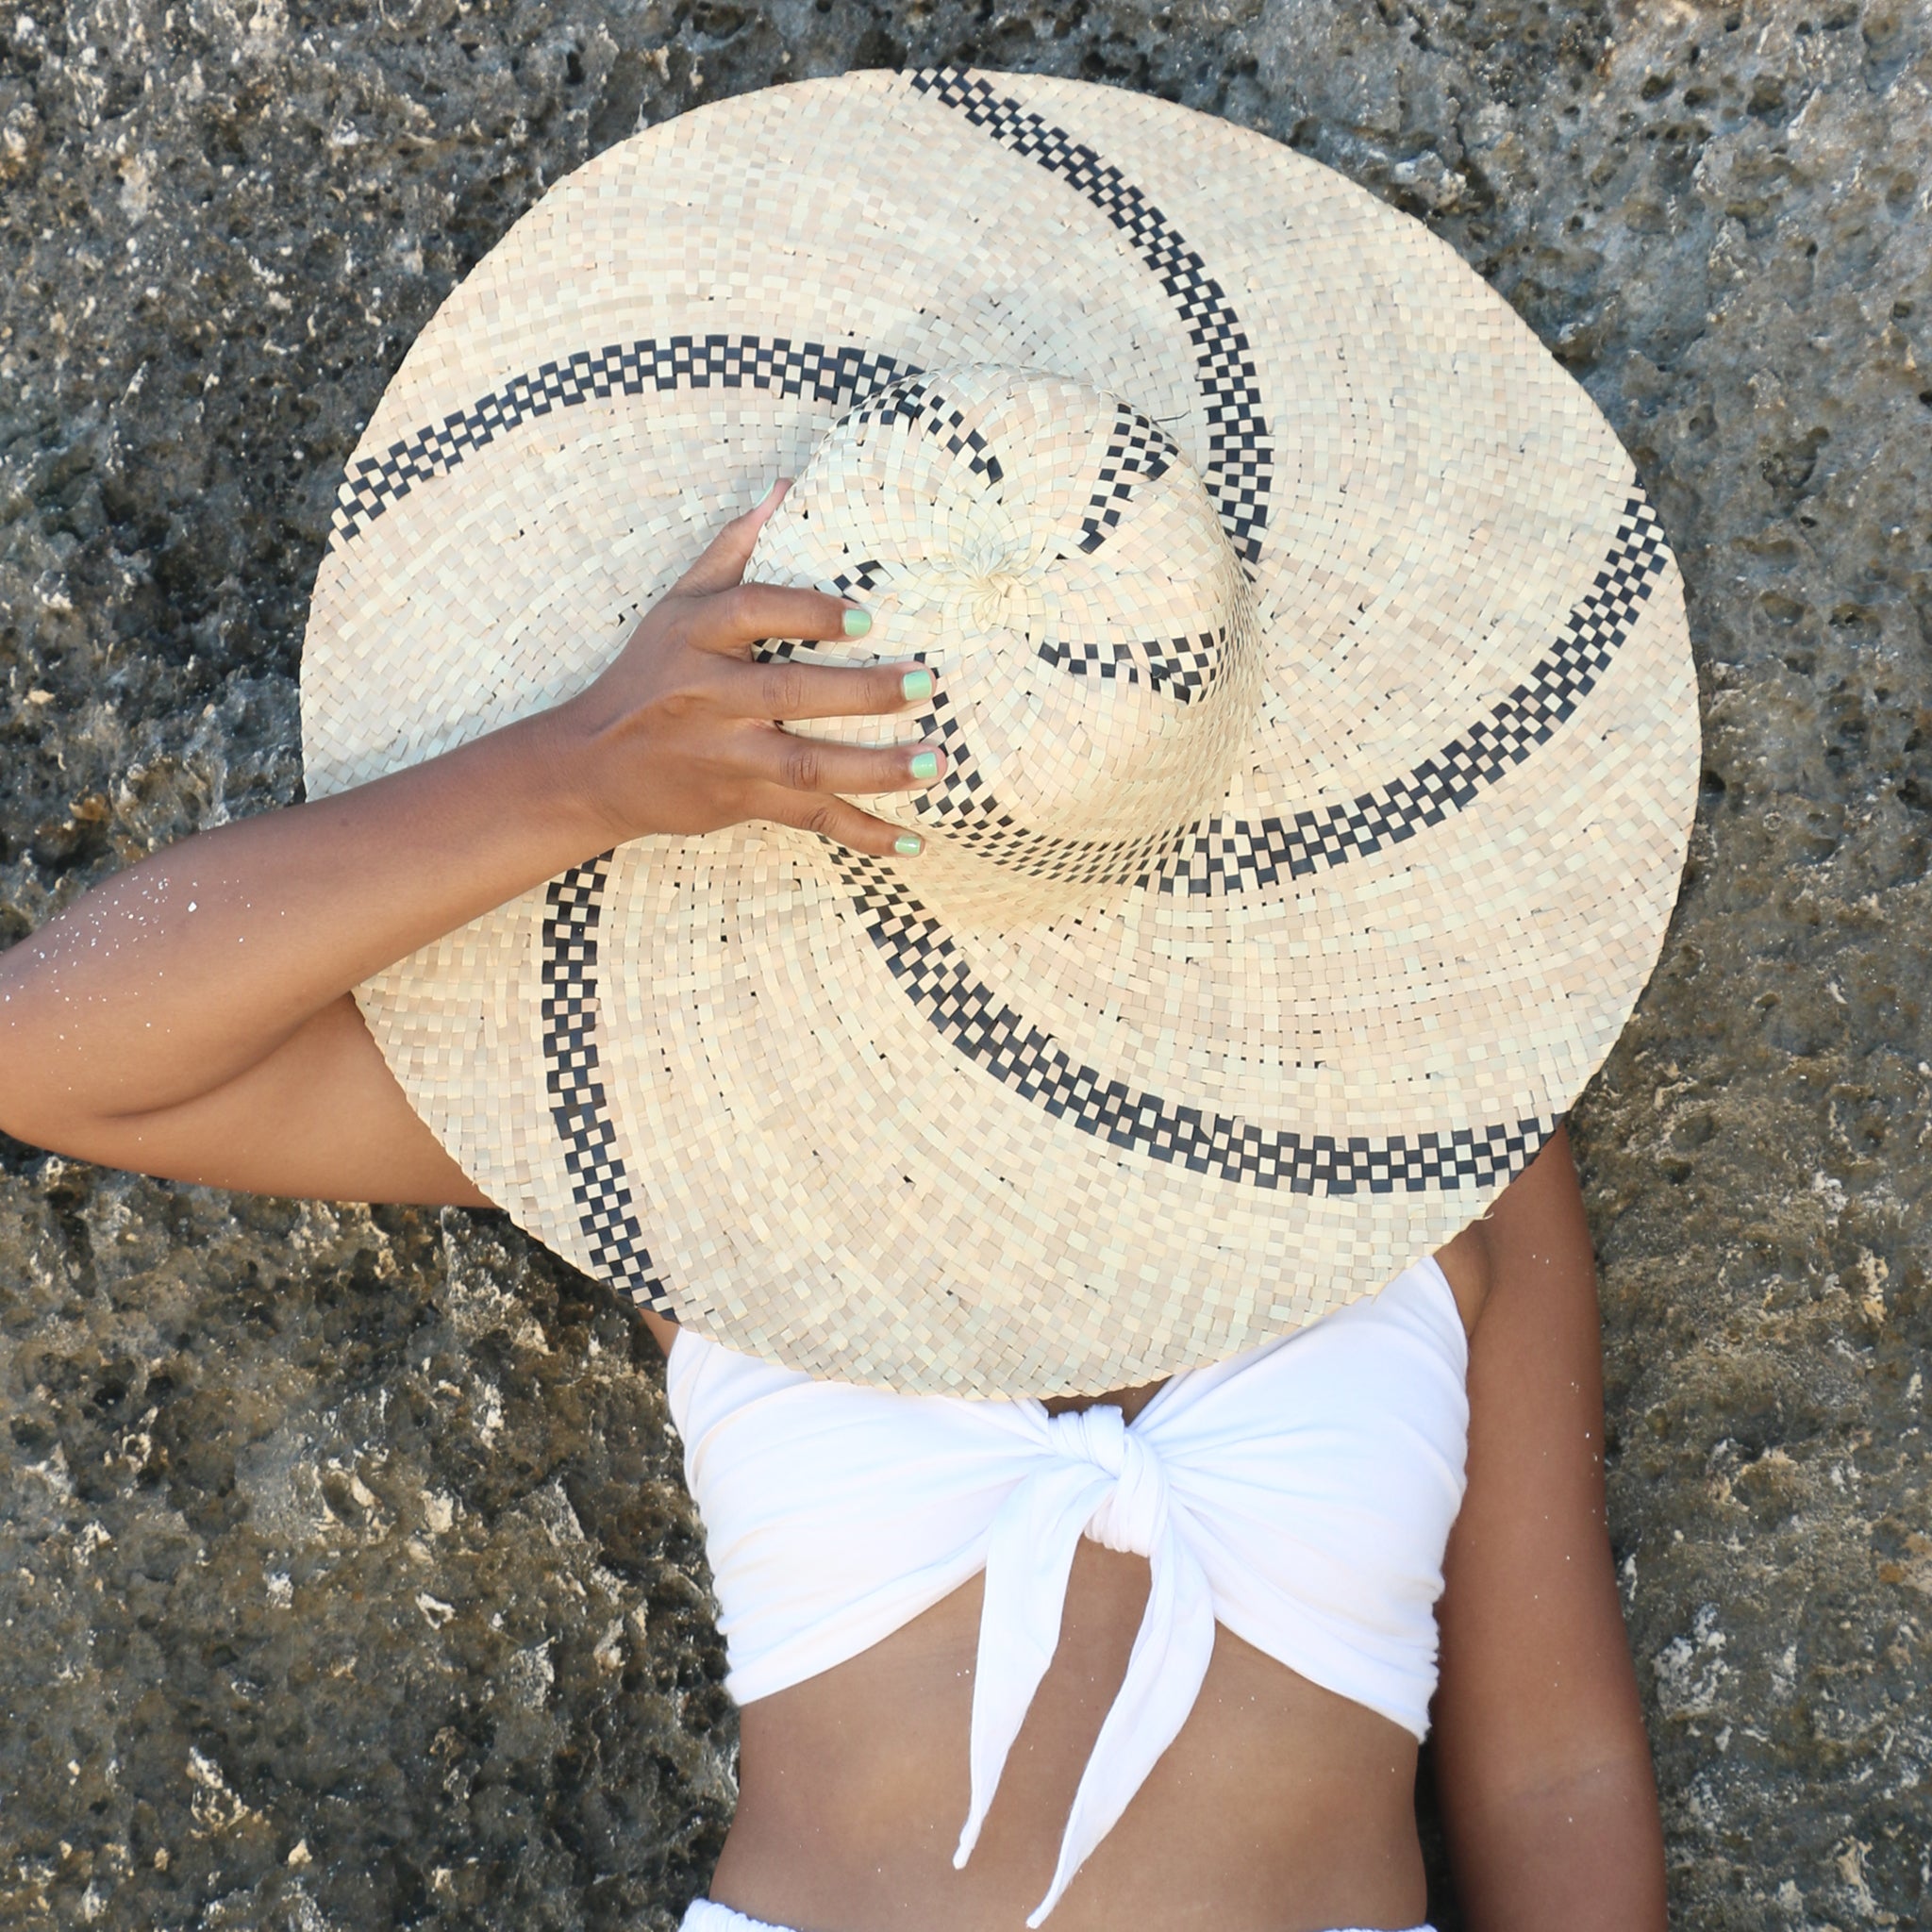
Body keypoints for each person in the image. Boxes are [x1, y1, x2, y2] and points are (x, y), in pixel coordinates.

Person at [0, 66, 1690, 1932]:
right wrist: (570, 776)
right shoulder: (663, 1082)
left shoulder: (1441, 1115)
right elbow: (53, 1046)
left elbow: (1552, 1763)